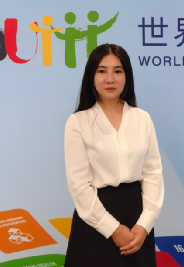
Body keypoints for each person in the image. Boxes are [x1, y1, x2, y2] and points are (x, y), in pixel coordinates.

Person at [64, 43, 164, 266]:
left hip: (137, 221)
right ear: (91, 76)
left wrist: (144, 225)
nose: (110, 79)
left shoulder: (142, 119)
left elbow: (153, 174)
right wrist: (113, 229)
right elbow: (79, 185)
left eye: (117, 71)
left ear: (127, 76)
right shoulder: (78, 122)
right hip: (94, 221)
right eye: (102, 71)